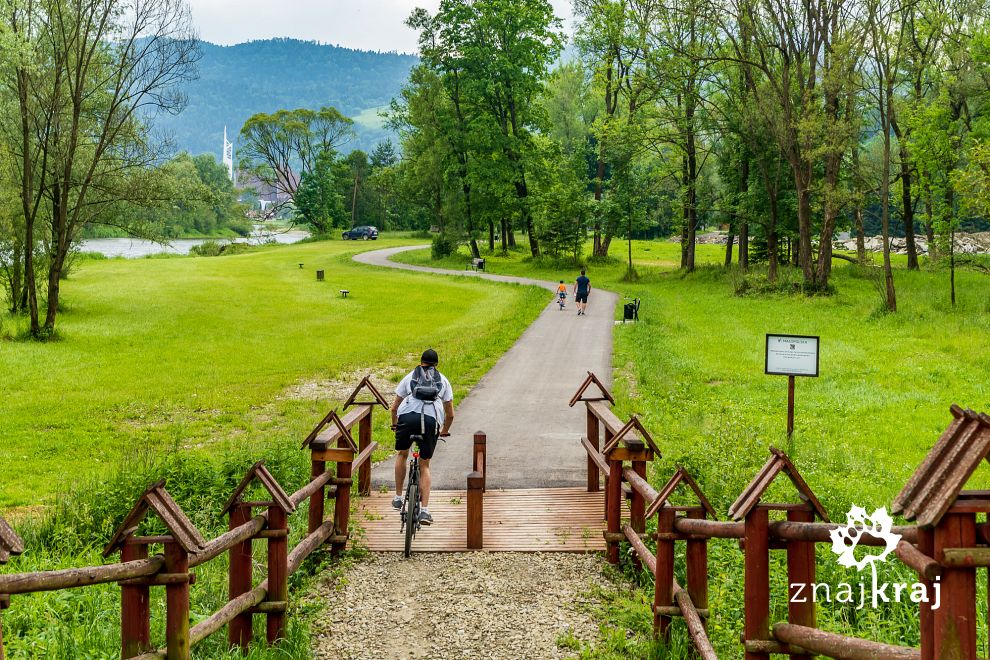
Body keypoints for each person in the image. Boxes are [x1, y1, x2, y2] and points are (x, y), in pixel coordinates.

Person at [390, 348, 454, 525]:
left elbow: (394, 407)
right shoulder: (443, 380)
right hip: (431, 421)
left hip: (407, 417)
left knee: (403, 454)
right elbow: (450, 414)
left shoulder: (410, 376)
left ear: (421, 362)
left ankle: (397, 496)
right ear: (436, 364)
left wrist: (395, 424)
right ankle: (425, 511)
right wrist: (444, 430)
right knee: (425, 464)